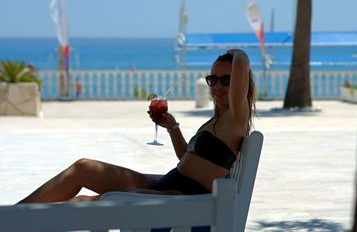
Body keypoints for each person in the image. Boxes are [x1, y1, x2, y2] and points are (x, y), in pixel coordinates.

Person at [18, 49, 256, 203]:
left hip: (179, 197)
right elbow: (188, 158)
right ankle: (13, 215)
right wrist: (173, 128)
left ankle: (15, 222)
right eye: (212, 79)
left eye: (226, 79)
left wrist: (236, 53)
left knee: (85, 201)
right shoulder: (216, 121)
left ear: (239, 83)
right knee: (84, 167)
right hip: (170, 184)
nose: (217, 85)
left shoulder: (236, 117)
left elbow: (242, 62)